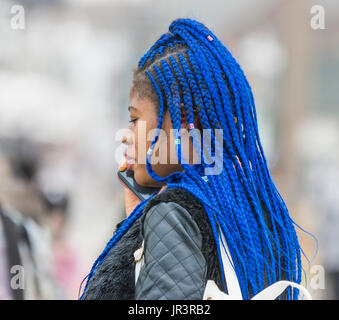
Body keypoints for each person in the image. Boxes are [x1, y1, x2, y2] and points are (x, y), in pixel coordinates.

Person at [79, 18, 305, 300]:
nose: (125, 135)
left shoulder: (172, 215)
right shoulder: (256, 215)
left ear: (184, 122)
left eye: (135, 119)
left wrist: (159, 217)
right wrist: (138, 225)